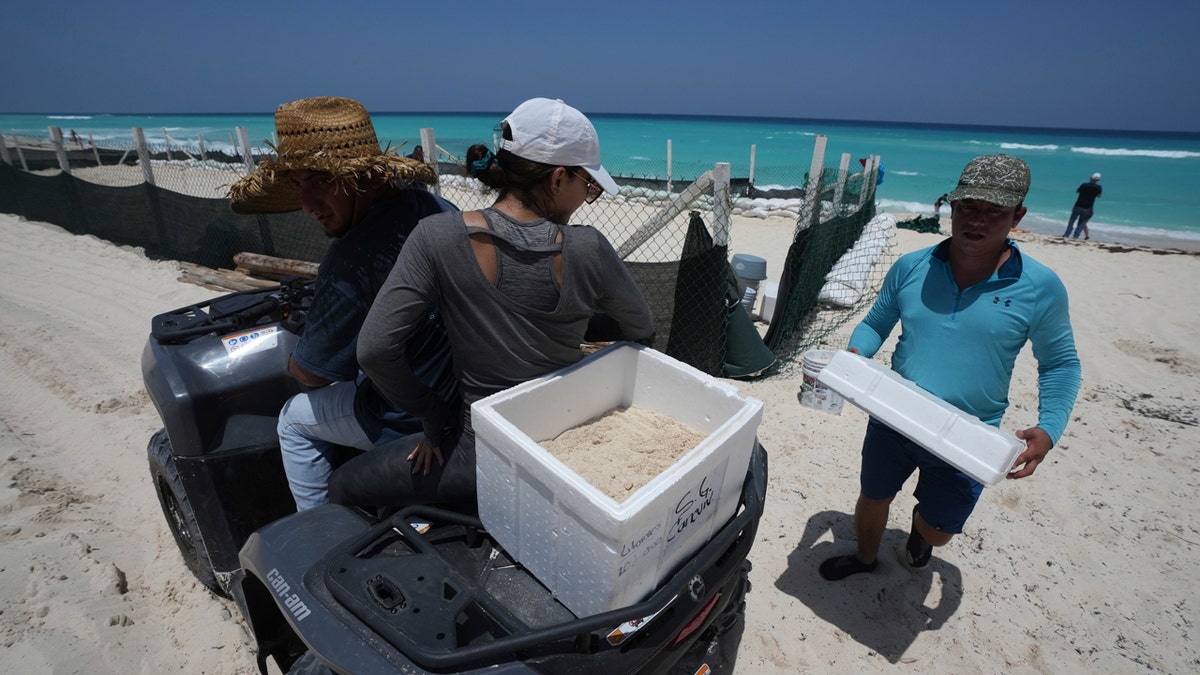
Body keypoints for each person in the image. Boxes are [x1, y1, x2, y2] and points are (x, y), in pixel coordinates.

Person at [329, 98, 654, 508]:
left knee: (340, 486)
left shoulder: (437, 237)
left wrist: (434, 416)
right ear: (557, 179)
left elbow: (374, 350)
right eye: (587, 186)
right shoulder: (589, 248)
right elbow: (640, 328)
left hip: (477, 457)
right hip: (565, 449)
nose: (586, 196)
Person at [819, 154, 1081, 581]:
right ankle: (866, 560)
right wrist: (855, 355)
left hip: (969, 432)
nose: (976, 222)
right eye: (967, 209)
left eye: (993, 214)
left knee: (941, 531)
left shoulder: (1041, 286)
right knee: (873, 495)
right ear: (952, 207)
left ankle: (923, 534)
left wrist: (1050, 427)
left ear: (1018, 216)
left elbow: (1061, 364)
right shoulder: (911, 267)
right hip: (895, 414)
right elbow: (875, 323)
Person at [227, 96, 460, 511]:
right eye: (300, 185)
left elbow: (312, 374)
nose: (306, 204)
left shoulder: (353, 258)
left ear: (367, 179)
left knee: (293, 419)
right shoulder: (435, 207)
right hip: (464, 390)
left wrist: (297, 362)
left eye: (319, 181)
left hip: (410, 417)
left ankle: (317, 531)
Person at [1063, 172, 1103, 240]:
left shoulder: (1084, 185)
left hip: (1078, 205)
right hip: (1088, 207)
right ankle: (1076, 236)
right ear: (1098, 180)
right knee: (1081, 223)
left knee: (1072, 220)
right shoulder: (1098, 187)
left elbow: (1077, 191)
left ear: (1091, 178)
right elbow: (1099, 196)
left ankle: (1067, 234)